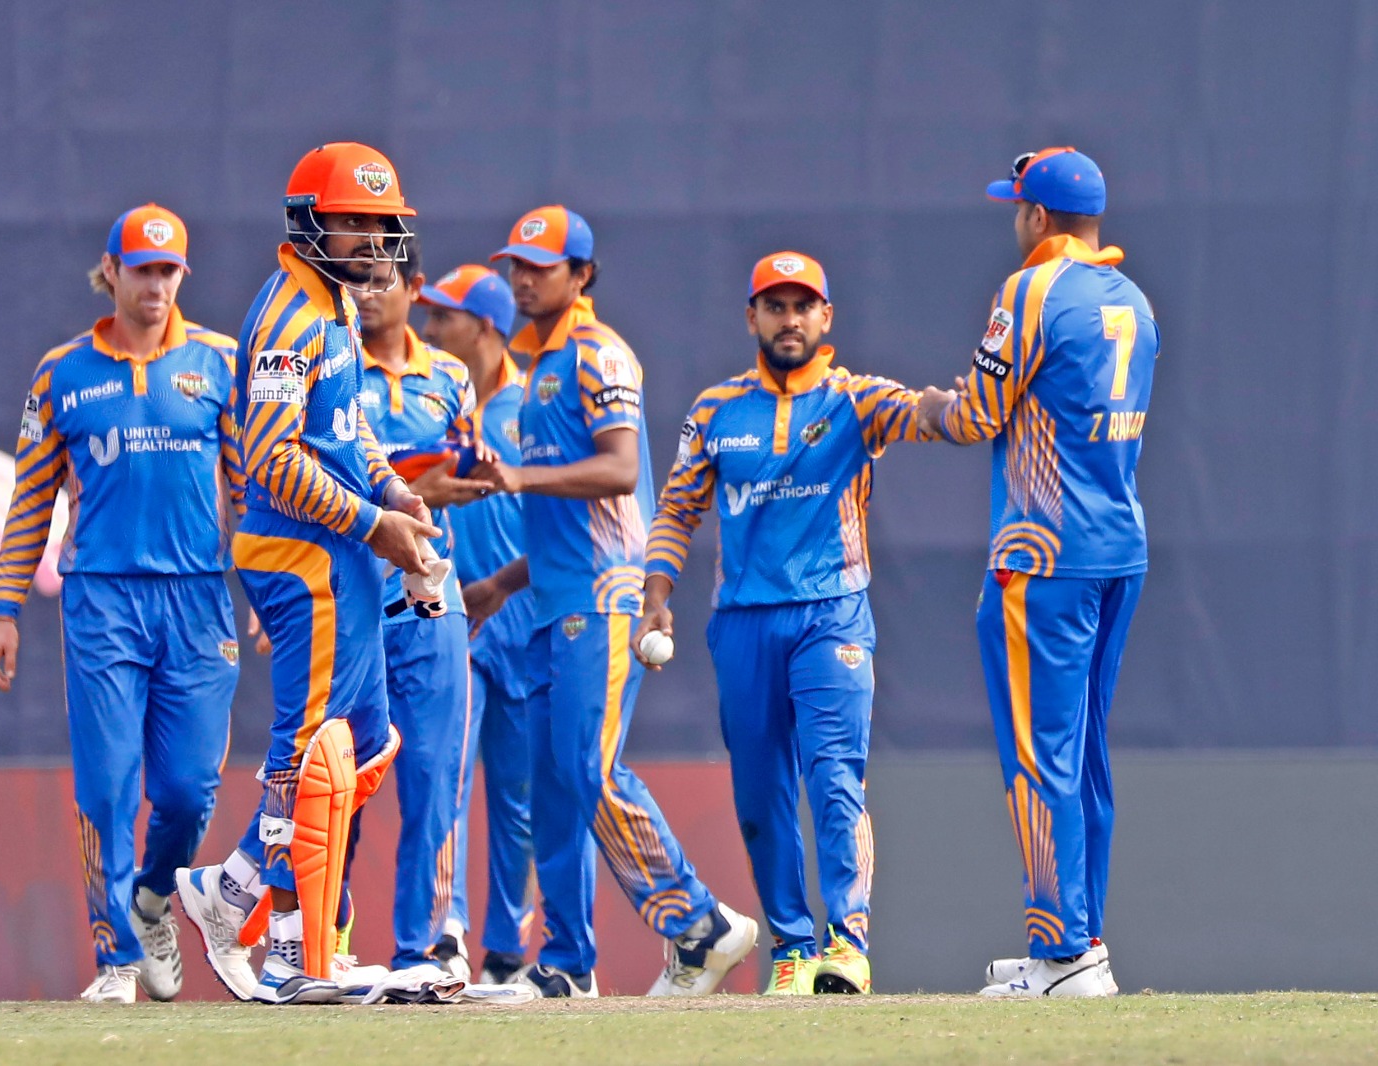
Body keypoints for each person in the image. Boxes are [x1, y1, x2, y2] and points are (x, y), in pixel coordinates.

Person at [465, 205, 757, 998]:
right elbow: (568, 520)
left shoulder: (598, 355)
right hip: (554, 600)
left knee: (585, 771)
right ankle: (566, 964)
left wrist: (520, 478)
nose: (522, 278)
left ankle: (701, 925)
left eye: (541, 265)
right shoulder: (540, 369)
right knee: (556, 780)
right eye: (516, 265)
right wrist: (500, 582)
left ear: (581, 274)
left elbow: (622, 471)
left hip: (605, 602)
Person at [172, 142, 438, 1005]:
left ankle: (242, 894)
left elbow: (345, 427)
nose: (370, 237)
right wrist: (376, 524)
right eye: (353, 221)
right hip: (301, 552)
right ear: (310, 222)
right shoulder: (291, 312)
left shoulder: (334, 307)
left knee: (363, 744)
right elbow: (267, 458)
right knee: (311, 750)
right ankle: (285, 947)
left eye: (380, 222)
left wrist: (394, 487)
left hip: (341, 547)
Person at [641, 252, 931, 997]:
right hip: (741, 624)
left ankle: (848, 943)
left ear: (826, 317)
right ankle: (794, 950)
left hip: (831, 615)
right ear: (752, 318)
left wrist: (962, 406)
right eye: (775, 305)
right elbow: (676, 509)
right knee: (760, 795)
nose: (790, 319)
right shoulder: (714, 411)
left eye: (804, 305)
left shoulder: (857, 400)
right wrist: (657, 590)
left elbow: (930, 417)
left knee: (834, 777)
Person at [0, 204, 244, 1004]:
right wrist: (4, 608)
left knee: (190, 787)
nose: (157, 285)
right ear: (112, 271)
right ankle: (118, 957)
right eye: (143, 270)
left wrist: (267, 593)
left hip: (198, 599)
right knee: (107, 784)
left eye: (170, 272)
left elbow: (251, 486)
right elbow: (31, 498)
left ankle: (156, 896)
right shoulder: (62, 372)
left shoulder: (220, 361)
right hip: (101, 600)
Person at [917, 147, 1158, 998]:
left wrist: (942, 406)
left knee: (1040, 757)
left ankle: (1061, 955)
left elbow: (979, 414)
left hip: (1043, 556)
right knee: (1085, 754)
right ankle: (1083, 940)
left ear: (1037, 217)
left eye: (1016, 208)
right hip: (1117, 549)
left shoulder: (1030, 290)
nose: (1013, 222)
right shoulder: (1133, 298)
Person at [349, 249, 490, 974]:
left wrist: (460, 476)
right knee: (341, 781)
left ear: (414, 289)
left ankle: (430, 942)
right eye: (356, 283)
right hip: (348, 605)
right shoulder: (331, 367)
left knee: (437, 774)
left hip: (432, 600)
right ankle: (320, 946)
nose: (367, 296)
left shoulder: (451, 376)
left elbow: (460, 468)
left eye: (382, 282)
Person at [417, 264, 538, 985]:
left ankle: (503, 951)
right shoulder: (435, 402)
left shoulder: (535, 404)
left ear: (485, 329)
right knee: (447, 777)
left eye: (444, 319)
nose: (430, 331)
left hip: (525, 617)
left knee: (519, 795)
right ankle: (446, 933)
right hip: (455, 617)